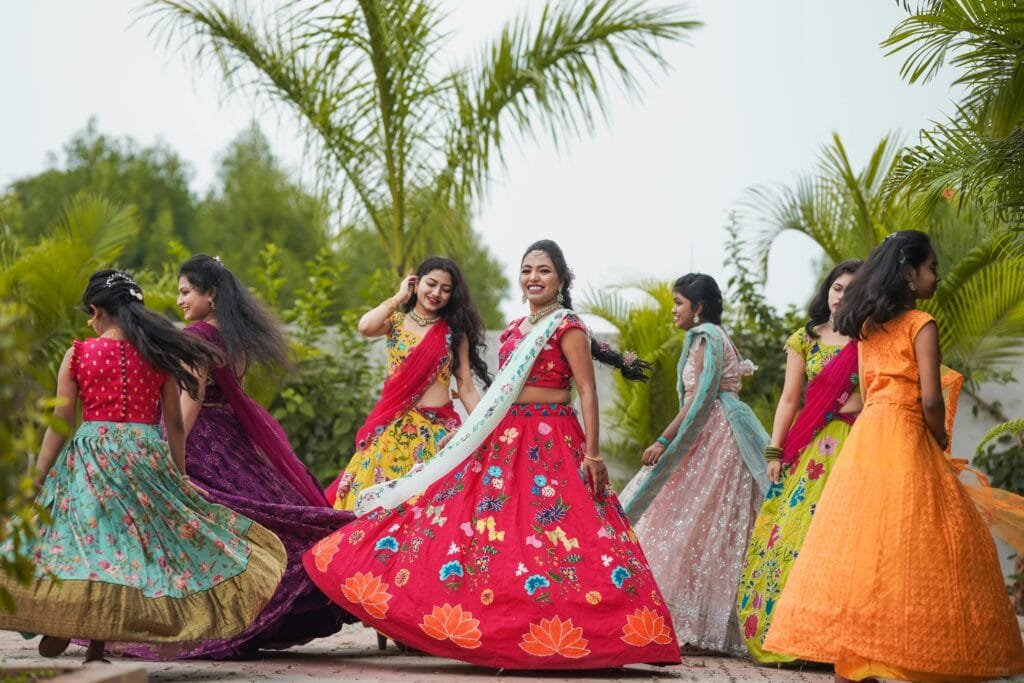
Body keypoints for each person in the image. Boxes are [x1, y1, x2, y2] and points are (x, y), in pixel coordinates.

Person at [302, 240, 680, 670]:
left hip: (553, 437)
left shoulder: (566, 325)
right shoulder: (517, 329)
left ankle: (608, 634)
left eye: (544, 270)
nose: (534, 277)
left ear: (561, 279)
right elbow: (500, 391)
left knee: (569, 535)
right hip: (506, 439)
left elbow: (587, 391)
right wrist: (469, 434)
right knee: (489, 533)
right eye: (527, 270)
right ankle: (501, 633)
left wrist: (592, 453)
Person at [764, 230, 1024, 682]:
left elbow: (867, 390)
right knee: (920, 541)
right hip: (905, 433)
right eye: (931, 268)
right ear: (909, 273)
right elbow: (929, 399)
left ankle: (858, 657)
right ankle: (911, 654)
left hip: (868, 437)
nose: (937, 277)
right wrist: (939, 438)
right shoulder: (921, 323)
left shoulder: (864, 327)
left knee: (862, 544)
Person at [0, 270, 285, 663]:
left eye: (90, 314)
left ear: (98, 311)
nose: (88, 322)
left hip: (91, 458)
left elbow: (60, 423)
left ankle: (63, 620)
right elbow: (174, 422)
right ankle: (96, 646)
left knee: (80, 543)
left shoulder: (78, 354)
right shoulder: (158, 355)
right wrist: (180, 476)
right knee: (126, 553)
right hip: (144, 457)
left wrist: (38, 477)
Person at [121, 254, 355, 659]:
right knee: (252, 522)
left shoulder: (196, 334)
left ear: (210, 294)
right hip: (232, 437)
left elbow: (189, 402)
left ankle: (207, 621)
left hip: (199, 440)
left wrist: (163, 453)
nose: (180, 300)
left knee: (204, 528)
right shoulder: (235, 335)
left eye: (186, 291)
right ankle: (246, 615)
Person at [620, 273, 770, 656]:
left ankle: (684, 622)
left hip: (714, 434)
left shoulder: (704, 337)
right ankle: (700, 622)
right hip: (728, 429)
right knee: (711, 526)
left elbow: (698, 398)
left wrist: (665, 440)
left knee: (686, 519)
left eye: (678, 303)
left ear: (698, 308)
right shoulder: (720, 335)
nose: (673, 310)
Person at [735, 260, 862, 662]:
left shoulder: (873, 339)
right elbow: (790, 399)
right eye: (837, 287)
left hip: (860, 443)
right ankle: (795, 636)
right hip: (814, 448)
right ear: (827, 291)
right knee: (795, 536)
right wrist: (775, 450)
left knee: (847, 539)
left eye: (851, 289)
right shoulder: (805, 339)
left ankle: (838, 642)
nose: (842, 295)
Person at [325, 256, 490, 511]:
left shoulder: (454, 333)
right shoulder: (396, 323)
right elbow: (366, 326)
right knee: (376, 506)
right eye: (431, 284)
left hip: (436, 435)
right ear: (417, 283)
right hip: (392, 431)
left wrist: (483, 428)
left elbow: (466, 387)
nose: (436, 293)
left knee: (431, 509)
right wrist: (399, 297)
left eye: (445, 289)